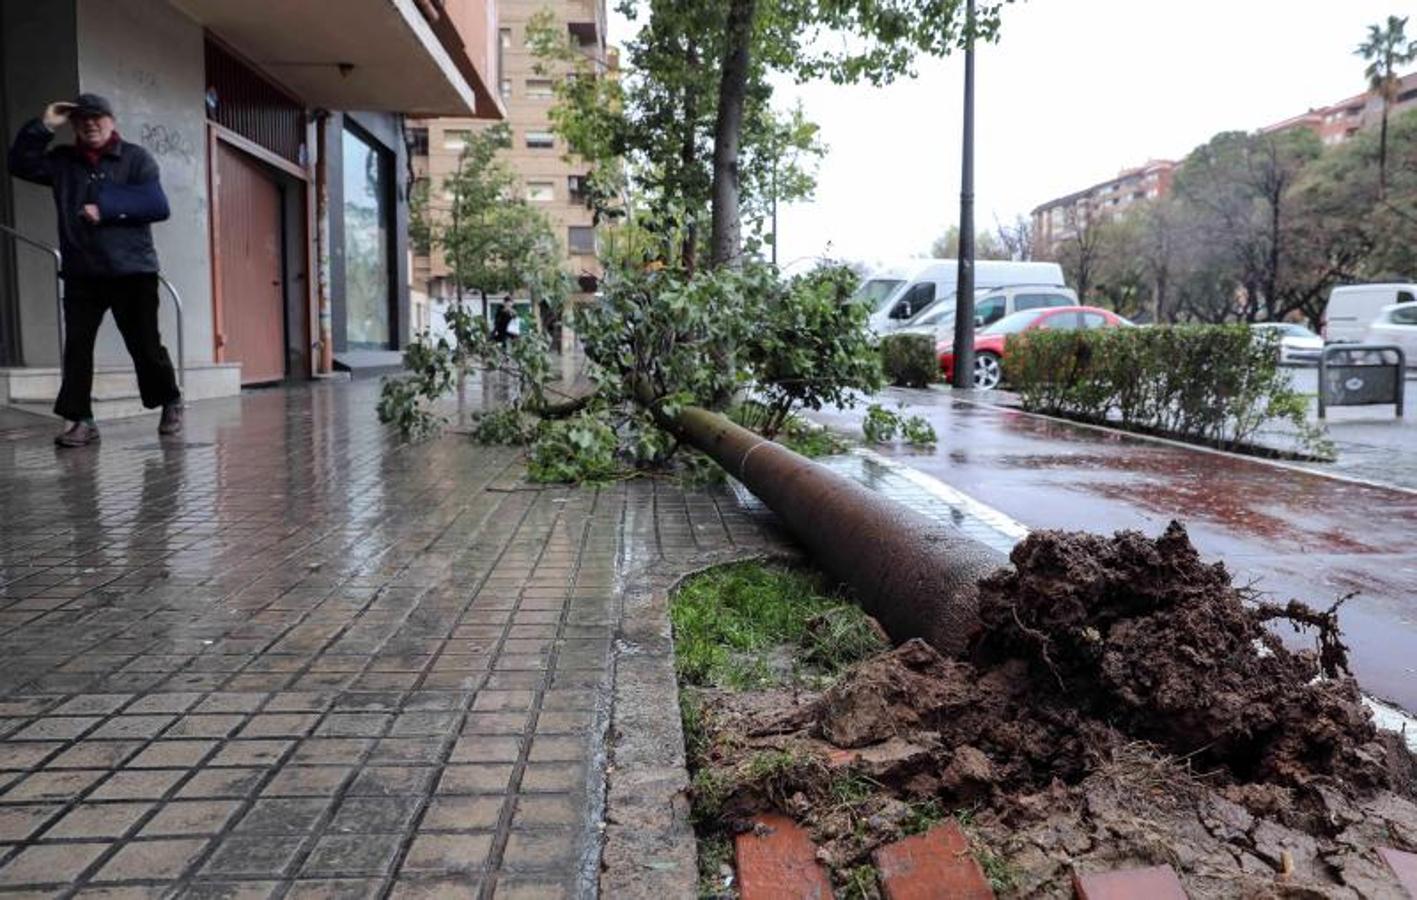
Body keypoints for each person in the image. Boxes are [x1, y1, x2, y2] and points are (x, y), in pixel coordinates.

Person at [7, 93, 182, 447]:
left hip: (132, 271)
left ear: (111, 121)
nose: (90, 124)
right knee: (77, 348)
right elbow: (20, 164)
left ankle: (170, 401)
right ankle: (81, 420)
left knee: (146, 346)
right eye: (82, 119)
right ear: (73, 125)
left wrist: (105, 207)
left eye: (97, 118)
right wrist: (44, 125)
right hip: (82, 272)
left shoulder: (135, 158)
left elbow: (157, 204)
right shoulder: (62, 161)